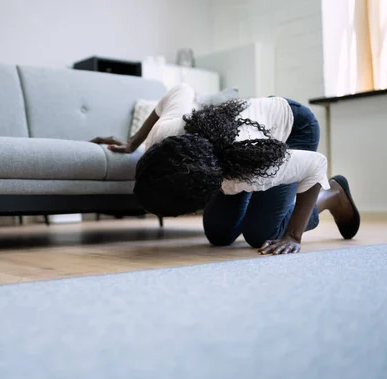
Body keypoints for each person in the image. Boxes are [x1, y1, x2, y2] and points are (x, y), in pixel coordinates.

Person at [91, 84, 360, 255]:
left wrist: (293, 235)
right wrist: (132, 143)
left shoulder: (250, 170)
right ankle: (270, 203)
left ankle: (333, 194)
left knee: (261, 234)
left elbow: (316, 165)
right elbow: (179, 90)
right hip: (243, 136)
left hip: (293, 129)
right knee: (219, 234)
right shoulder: (165, 133)